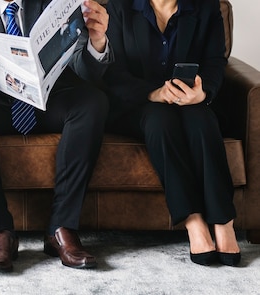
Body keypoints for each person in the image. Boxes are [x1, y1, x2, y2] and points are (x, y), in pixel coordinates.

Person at [0, 0, 113, 272]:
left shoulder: (58, 5)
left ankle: (61, 228)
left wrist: (97, 42)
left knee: (93, 101)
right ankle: (0, 232)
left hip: (50, 100)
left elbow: (86, 73)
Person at [103, 0, 241, 266]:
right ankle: (194, 221)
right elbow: (112, 72)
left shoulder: (207, 7)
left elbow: (215, 62)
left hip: (191, 100)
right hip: (139, 104)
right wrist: (154, 93)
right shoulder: (119, 7)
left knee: (202, 120)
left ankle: (224, 221)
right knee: (160, 121)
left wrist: (202, 92)